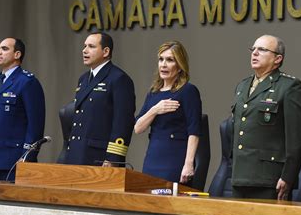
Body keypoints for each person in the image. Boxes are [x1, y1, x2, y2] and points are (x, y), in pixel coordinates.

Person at [231, 34, 301, 200]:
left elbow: (297, 136)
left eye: (262, 49)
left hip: (270, 179)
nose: (254, 53)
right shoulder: (242, 86)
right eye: (253, 49)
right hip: (240, 176)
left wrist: (288, 176)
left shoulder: (290, 87)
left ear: (277, 59)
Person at [134, 41, 202, 184]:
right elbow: (138, 128)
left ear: (179, 66)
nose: (163, 64)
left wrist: (188, 164)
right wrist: (155, 110)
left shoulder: (188, 91)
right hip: (153, 157)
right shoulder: (154, 92)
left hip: (175, 158)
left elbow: (194, 131)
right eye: (161, 59)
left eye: (170, 60)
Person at [64, 32, 135, 167]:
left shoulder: (118, 79)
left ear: (106, 51)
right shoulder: (83, 79)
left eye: (91, 46)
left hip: (99, 157)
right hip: (76, 153)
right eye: (84, 46)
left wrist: (113, 159)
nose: (84, 50)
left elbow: (123, 122)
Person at [0, 38, 45, 181]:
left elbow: (35, 124)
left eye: (4, 49)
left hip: (15, 158)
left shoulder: (27, 82)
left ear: (17, 54)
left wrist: (27, 157)